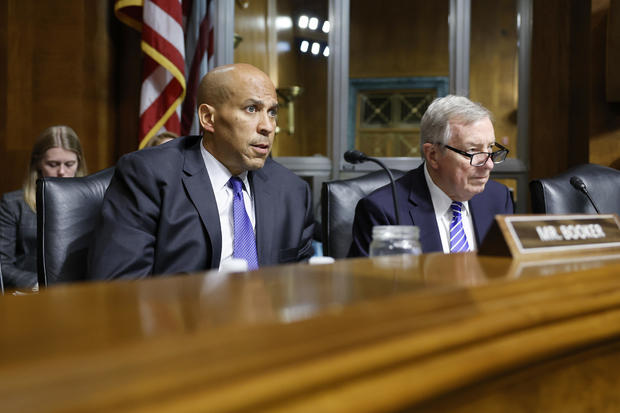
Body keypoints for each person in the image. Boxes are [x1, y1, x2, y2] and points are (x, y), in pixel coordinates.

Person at [88, 63, 314, 280]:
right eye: (251, 109)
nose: (267, 126)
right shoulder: (149, 176)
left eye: (272, 112)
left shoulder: (292, 191)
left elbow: (299, 287)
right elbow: (121, 285)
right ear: (208, 118)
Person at [348, 95, 514, 256]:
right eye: (472, 151)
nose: (489, 164)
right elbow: (368, 282)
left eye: (490, 148)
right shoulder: (383, 210)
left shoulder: (499, 197)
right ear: (433, 155)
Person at [0, 125, 87, 289]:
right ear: (38, 163)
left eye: (69, 164)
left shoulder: (93, 203)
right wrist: (38, 285)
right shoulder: (13, 205)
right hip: (32, 295)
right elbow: (1, 265)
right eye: (53, 164)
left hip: (80, 293)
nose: (62, 171)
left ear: (79, 164)